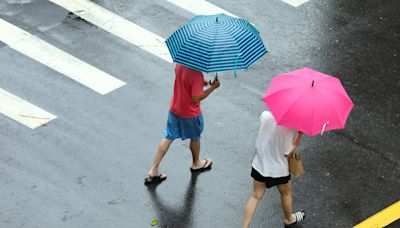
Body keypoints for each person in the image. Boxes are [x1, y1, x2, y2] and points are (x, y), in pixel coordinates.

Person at [144, 64, 220, 184]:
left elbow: (187, 82)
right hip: (190, 114)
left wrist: (209, 82)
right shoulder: (196, 74)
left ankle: (153, 169)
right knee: (195, 138)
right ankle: (196, 163)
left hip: (175, 108)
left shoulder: (180, 65)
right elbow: (196, 97)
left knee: (168, 136)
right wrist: (213, 88)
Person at [242, 111, 305, 228]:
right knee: (286, 194)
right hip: (278, 170)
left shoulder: (265, 115)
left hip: (260, 165)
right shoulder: (288, 128)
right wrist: (299, 136)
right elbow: (287, 152)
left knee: (255, 196)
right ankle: (289, 219)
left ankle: (244, 226)